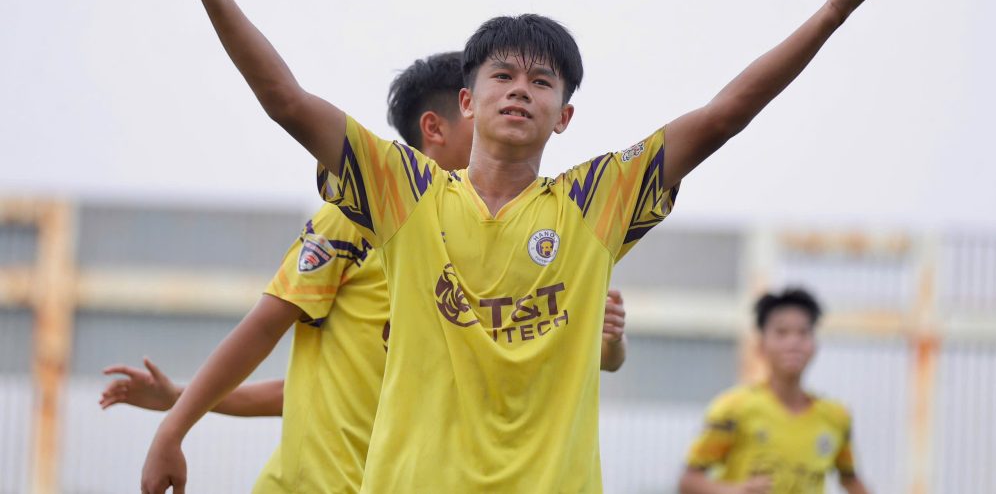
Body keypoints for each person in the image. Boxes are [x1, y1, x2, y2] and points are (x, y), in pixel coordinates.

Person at [130, 0, 918, 493]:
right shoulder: (405, 194)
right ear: (465, 102)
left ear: (564, 115)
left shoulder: (595, 204)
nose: (520, 89)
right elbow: (287, 101)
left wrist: (832, 11)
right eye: (501, 74)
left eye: (542, 81)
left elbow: (724, 116)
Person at [109, 50, 628, 493]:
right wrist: (176, 425)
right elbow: (265, 326)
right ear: (439, 125)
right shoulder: (358, 220)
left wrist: (609, 344)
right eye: (487, 92)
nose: (509, 104)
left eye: (534, 85)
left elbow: (328, 389)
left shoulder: (512, 246)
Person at [679, 288, 869, 494]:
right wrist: (736, 491)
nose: (793, 342)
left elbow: (851, 481)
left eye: (803, 333)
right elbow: (688, 482)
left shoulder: (836, 418)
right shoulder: (733, 408)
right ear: (760, 345)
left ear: (814, 345)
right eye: (782, 333)